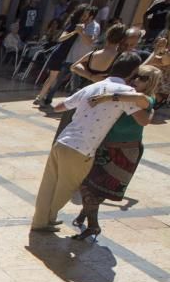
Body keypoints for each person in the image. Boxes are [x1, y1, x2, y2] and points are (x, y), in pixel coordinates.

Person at [30, 52, 144, 232]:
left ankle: (43, 220)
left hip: (63, 141)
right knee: (66, 188)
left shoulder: (95, 86)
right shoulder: (126, 93)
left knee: (49, 184)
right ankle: (43, 221)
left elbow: (61, 106)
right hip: (82, 149)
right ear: (133, 72)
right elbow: (142, 119)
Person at [72, 66, 158, 241]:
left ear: (151, 82)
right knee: (90, 186)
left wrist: (109, 97)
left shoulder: (146, 100)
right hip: (106, 147)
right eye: (135, 75)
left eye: (142, 77)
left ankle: (93, 225)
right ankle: (87, 218)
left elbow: (142, 106)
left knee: (97, 188)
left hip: (125, 151)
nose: (136, 79)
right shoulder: (126, 93)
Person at [34, 5, 93, 108]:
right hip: (59, 54)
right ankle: (40, 97)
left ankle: (41, 96)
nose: (85, 18)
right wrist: (75, 31)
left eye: (87, 16)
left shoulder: (83, 26)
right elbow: (61, 38)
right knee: (52, 77)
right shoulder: (73, 25)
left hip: (66, 56)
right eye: (83, 15)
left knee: (53, 78)